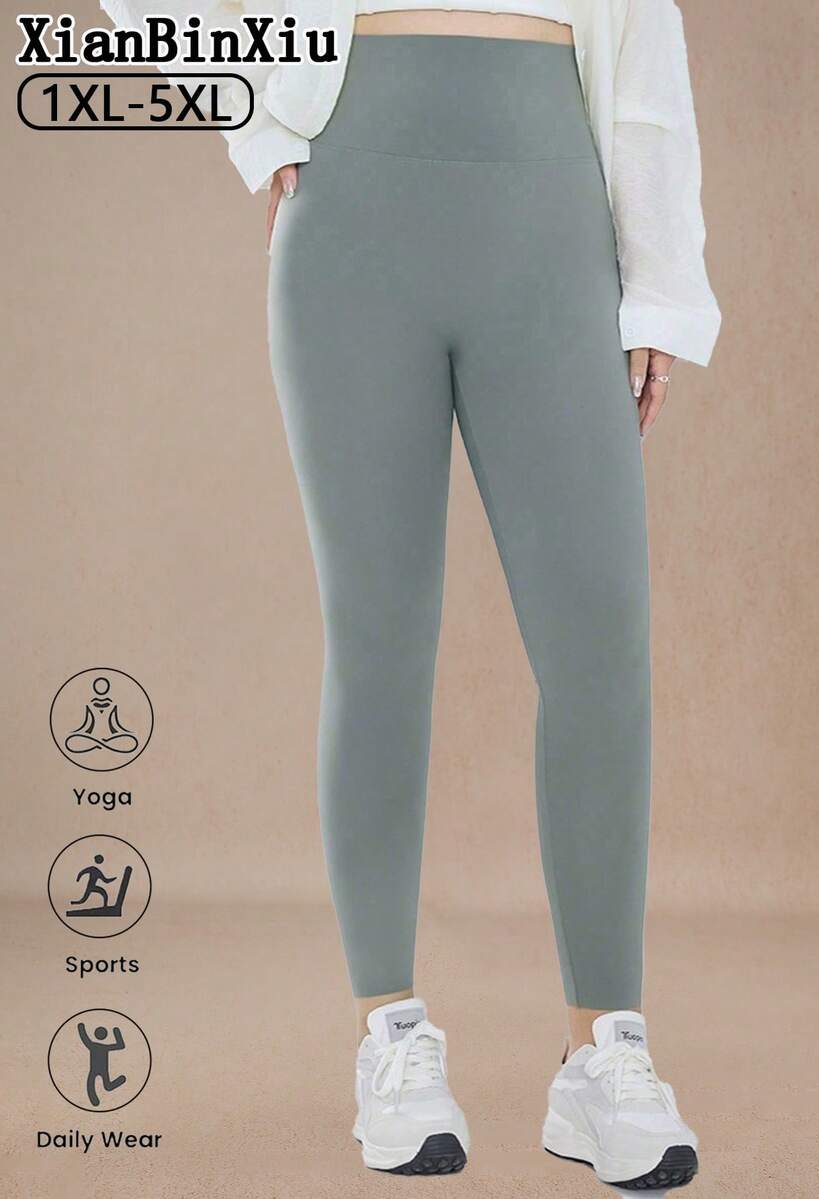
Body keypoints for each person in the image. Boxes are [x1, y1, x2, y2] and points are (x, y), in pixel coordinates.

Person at [102, 0, 720, 1187]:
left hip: (551, 225)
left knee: (601, 643)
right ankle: (389, 1032)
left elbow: (647, 61)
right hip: (351, 224)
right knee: (380, 637)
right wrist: (250, 118)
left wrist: (661, 282)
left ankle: (604, 1050)